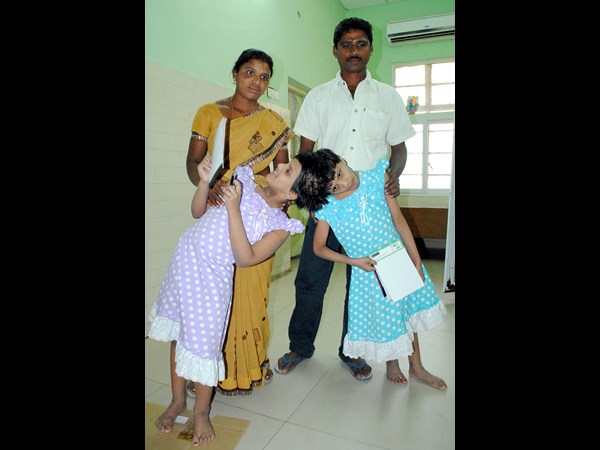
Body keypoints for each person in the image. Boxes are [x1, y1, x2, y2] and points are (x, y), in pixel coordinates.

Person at [148, 152, 336, 446]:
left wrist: (234, 209)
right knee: (179, 334)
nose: (280, 165)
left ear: (292, 194)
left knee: (204, 346)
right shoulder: (244, 180)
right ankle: (176, 400)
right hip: (184, 264)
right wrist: (203, 183)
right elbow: (198, 212)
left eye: (288, 170)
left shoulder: (279, 225)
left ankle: (201, 412)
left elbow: (245, 258)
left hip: (211, 282)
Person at [276, 17, 416, 381]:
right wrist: (306, 197)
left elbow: (399, 149)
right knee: (310, 279)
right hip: (328, 203)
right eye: (347, 44)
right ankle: (300, 346)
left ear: (370, 48)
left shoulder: (388, 97)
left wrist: (393, 174)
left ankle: (351, 352)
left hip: (370, 208)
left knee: (362, 284)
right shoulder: (318, 97)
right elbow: (305, 152)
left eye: (361, 44)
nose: (354, 51)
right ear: (335, 50)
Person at [186, 49, 293, 396]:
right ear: (234, 73)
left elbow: (283, 171)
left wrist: (280, 216)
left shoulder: (273, 122)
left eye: (264, 77)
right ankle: (204, 368)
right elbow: (193, 162)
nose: (256, 82)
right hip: (219, 209)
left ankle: (247, 368)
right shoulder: (208, 112)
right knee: (210, 295)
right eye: (249, 72)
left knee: (251, 293)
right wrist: (210, 185)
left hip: (257, 214)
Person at [311, 149, 447, 390]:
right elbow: (319, 248)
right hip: (368, 273)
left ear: (342, 160)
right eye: (334, 187)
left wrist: (415, 261)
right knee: (386, 320)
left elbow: (399, 220)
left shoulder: (377, 178)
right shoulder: (328, 206)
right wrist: (354, 261)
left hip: (397, 260)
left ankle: (416, 367)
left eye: (340, 174)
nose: (343, 184)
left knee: (406, 314)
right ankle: (392, 364)